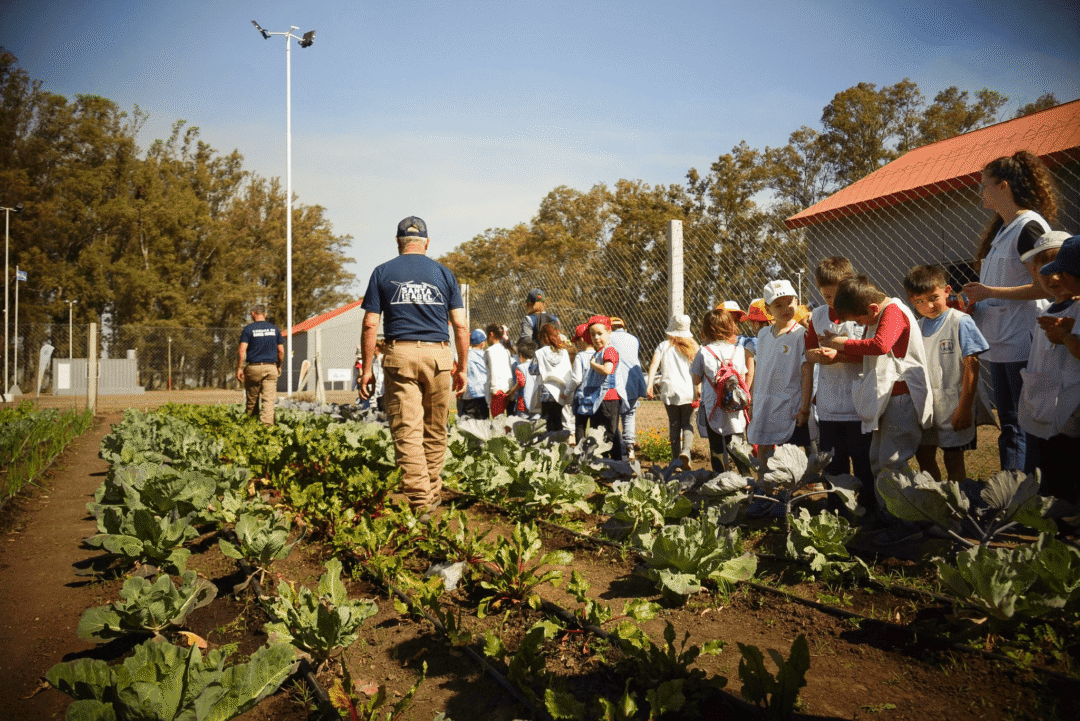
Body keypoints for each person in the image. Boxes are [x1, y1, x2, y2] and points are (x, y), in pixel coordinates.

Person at [359, 216, 469, 520]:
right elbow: (459, 324)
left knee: (407, 431)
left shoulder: (382, 272)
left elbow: (370, 323)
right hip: (439, 357)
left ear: (398, 242)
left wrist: (367, 368)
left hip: (400, 355)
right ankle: (430, 494)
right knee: (435, 430)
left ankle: (420, 503)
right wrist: (463, 366)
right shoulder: (444, 274)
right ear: (427, 243)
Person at [962, 150, 1059, 473]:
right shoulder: (1004, 229)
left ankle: (1025, 494)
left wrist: (990, 292)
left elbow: (1046, 286)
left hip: (1022, 340)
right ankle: (1011, 492)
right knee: (1010, 422)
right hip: (1002, 343)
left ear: (1004, 186)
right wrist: (978, 302)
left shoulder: (1029, 227)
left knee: (1022, 421)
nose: (981, 192)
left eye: (985, 185)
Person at [820, 277, 933, 494]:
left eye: (860, 321)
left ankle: (907, 518)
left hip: (901, 398)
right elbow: (868, 353)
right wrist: (839, 354)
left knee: (892, 462)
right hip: (886, 399)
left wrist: (842, 343)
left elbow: (881, 346)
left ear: (872, 308)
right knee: (878, 460)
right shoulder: (877, 316)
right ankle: (888, 515)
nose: (861, 326)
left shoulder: (892, 311)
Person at [904, 265, 990, 483]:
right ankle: (937, 504)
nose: (929, 306)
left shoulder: (960, 321)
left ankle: (959, 509)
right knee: (924, 456)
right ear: (911, 301)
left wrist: (964, 408)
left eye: (934, 297)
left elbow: (972, 364)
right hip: (926, 408)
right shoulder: (917, 327)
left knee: (953, 459)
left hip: (954, 406)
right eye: (919, 302)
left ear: (947, 290)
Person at [1021, 232, 1080, 502]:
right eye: (1045, 269)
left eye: (1061, 270)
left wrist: (1066, 337)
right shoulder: (1043, 313)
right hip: (1045, 406)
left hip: (1069, 405)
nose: (1054, 278)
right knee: (1050, 463)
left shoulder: (1077, 309)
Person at [804, 257, 872, 486]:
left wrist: (839, 355)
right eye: (827, 296)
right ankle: (837, 513)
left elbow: (871, 355)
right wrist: (818, 355)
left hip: (859, 406)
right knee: (833, 464)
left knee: (864, 463)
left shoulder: (863, 314)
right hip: (829, 407)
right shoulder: (818, 315)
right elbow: (809, 353)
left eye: (837, 295)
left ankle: (868, 512)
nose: (833, 301)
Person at [746, 280, 812, 455]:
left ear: (797, 302)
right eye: (778, 305)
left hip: (790, 406)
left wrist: (804, 408)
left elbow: (807, 373)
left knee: (793, 453)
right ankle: (762, 482)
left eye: (790, 302)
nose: (785, 309)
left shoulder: (801, 335)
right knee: (763, 448)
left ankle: (807, 483)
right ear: (768, 310)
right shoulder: (763, 334)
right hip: (764, 403)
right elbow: (759, 370)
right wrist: (753, 402)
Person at [691, 308, 753, 472]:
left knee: (717, 445)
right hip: (734, 404)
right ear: (731, 327)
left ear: (706, 330)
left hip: (714, 406)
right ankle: (747, 479)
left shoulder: (704, 351)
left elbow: (696, 378)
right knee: (737, 443)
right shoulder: (738, 350)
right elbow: (743, 375)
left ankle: (721, 478)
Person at [647, 314, 700, 468]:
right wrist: (699, 389)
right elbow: (698, 371)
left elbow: (654, 364)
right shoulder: (694, 347)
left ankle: (675, 458)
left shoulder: (663, 346)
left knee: (674, 424)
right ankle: (686, 452)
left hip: (669, 391)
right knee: (688, 423)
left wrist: (650, 384)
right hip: (688, 392)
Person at [577, 315, 624, 459]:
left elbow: (607, 369)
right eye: (592, 335)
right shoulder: (598, 352)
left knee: (609, 432)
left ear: (609, 332)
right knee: (598, 430)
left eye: (600, 334)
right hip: (598, 397)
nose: (596, 338)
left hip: (608, 397)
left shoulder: (609, 351)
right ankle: (605, 462)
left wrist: (593, 365)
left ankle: (615, 463)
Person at [237, 304, 285, 425]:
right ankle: (267, 428)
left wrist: (239, 368)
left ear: (253, 313)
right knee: (268, 401)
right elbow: (281, 351)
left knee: (252, 400)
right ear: (265, 314)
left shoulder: (248, 329)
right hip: (270, 368)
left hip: (253, 368)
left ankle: (251, 426)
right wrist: (279, 365)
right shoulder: (274, 329)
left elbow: (242, 350)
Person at [609, 317, 647, 460]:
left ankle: (618, 449)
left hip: (616, 382)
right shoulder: (633, 339)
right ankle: (629, 447)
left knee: (613, 417)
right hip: (632, 381)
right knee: (629, 415)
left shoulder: (609, 338)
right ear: (623, 327)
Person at [531, 322, 573, 432]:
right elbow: (568, 371)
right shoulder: (564, 352)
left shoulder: (539, 352)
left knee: (546, 420)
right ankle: (558, 443)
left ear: (544, 337)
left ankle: (546, 444)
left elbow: (532, 370)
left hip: (546, 390)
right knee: (558, 418)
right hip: (560, 391)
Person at [569, 323, 594, 442]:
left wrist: (567, 391)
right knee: (595, 428)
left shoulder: (580, 356)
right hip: (596, 398)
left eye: (577, 341)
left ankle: (581, 454)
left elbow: (576, 379)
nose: (576, 344)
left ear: (582, 339)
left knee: (580, 426)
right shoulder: (599, 353)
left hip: (582, 397)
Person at [457, 329, 490, 420]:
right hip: (483, 393)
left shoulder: (464, 355)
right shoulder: (486, 355)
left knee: (468, 421)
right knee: (483, 420)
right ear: (483, 344)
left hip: (468, 394)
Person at [484, 323, 514, 417]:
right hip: (508, 388)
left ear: (491, 334)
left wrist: (493, 389)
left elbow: (493, 369)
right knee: (508, 420)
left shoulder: (490, 351)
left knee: (498, 420)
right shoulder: (507, 350)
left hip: (497, 389)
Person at [508, 341, 538, 417]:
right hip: (537, 403)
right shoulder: (538, 367)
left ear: (520, 355)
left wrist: (512, 391)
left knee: (522, 425)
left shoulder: (521, 368)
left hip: (524, 404)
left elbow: (521, 382)